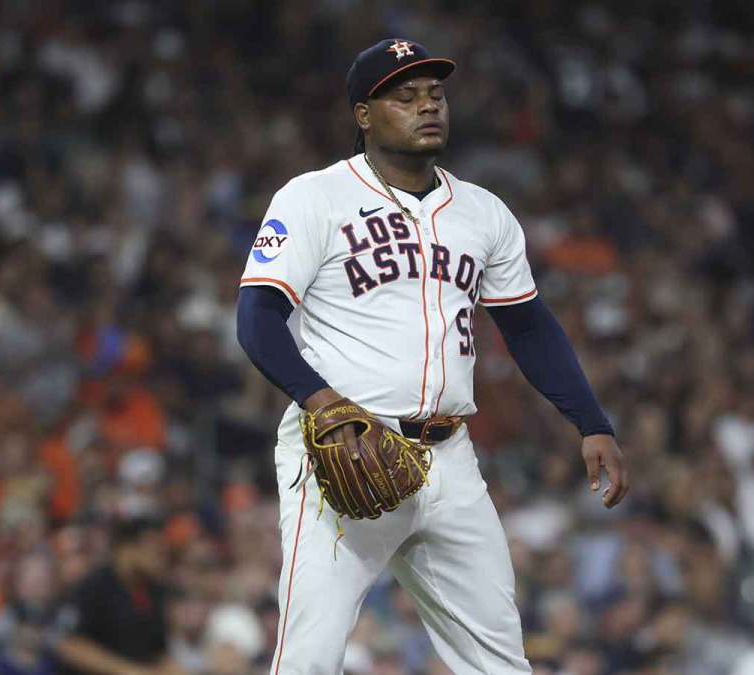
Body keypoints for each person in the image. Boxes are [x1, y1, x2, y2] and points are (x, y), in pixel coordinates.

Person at [236, 38, 629, 674]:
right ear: (364, 114)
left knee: (500, 662)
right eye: (405, 96)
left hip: (450, 459)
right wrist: (323, 402)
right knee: (309, 659)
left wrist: (590, 421)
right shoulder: (314, 198)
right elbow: (256, 318)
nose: (427, 107)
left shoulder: (482, 212)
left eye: (435, 95)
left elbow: (528, 326)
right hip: (344, 448)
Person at [54, 516, 183, 675]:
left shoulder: (155, 591)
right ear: (127, 549)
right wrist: (125, 670)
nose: (162, 556)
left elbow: (158, 652)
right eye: (155, 549)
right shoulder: (93, 587)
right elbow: (69, 645)